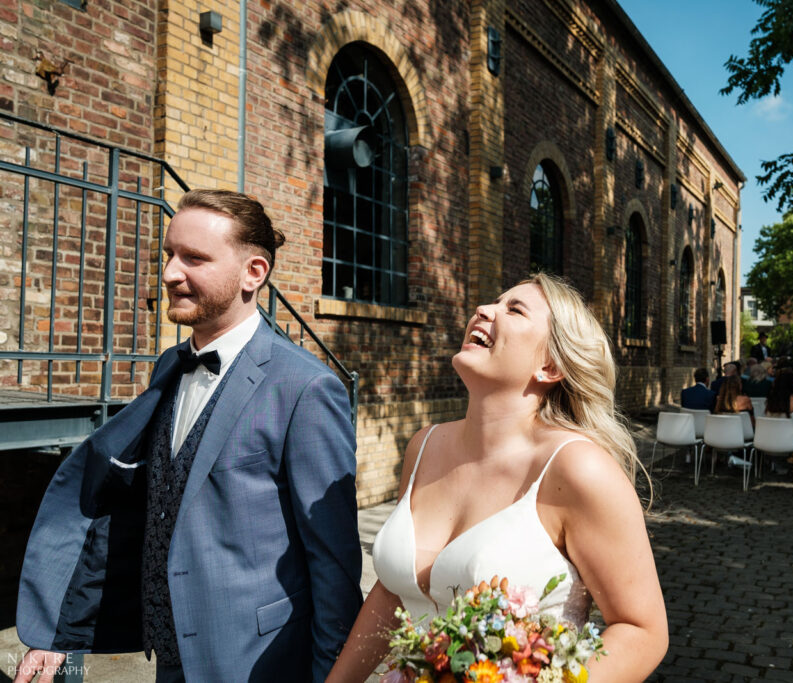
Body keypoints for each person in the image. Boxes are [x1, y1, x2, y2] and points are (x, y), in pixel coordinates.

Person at [15, 191, 361, 683]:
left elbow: (334, 565)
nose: (171, 273)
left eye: (194, 258)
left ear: (254, 273)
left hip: (256, 662)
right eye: (169, 255)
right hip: (171, 656)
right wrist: (60, 635)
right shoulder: (169, 367)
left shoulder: (305, 387)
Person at [327, 274, 668, 681]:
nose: (483, 310)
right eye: (492, 301)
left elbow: (642, 631)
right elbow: (393, 593)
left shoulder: (577, 468)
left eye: (514, 309)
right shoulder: (425, 446)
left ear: (551, 365)